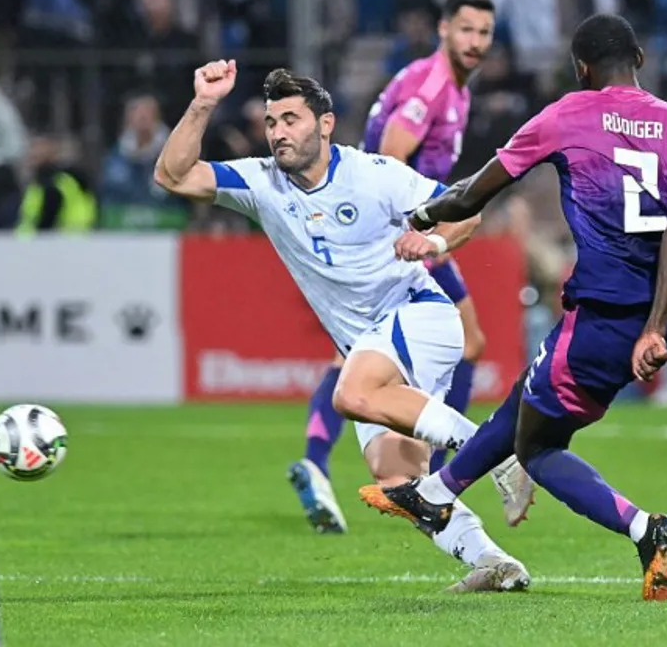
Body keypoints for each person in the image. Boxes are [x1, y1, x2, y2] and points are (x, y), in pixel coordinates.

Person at [358, 13, 667, 602]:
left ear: (580, 68)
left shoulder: (566, 115)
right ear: (641, 59)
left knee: (539, 447)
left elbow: (477, 190)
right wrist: (655, 328)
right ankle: (437, 493)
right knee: (530, 394)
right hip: (648, 316)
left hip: (603, 314)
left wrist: (423, 216)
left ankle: (646, 529)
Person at [154, 61, 530, 592]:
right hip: (371, 343)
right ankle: (495, 563)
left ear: (325, 124)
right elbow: (171, 174)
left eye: (291, 119)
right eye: (271, 122)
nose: (279, 132)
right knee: (399, 479)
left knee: (350, 393)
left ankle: (499, 453)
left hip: (417, 314)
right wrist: (203, 103)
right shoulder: (261, 182)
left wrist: (435, 241)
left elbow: (465, 207)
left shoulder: (374, 174)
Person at [289, 0, 533, 536]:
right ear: (443, 29)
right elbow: (394, 156)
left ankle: (319, 459)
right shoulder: (432, 85)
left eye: (484, 33)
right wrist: (417, 228)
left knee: (355, 355)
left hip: (394, 232)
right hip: (401, 236)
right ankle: (447, 475)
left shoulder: (448, 85)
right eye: (465, 29)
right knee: (462, 341)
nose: (475, 42)